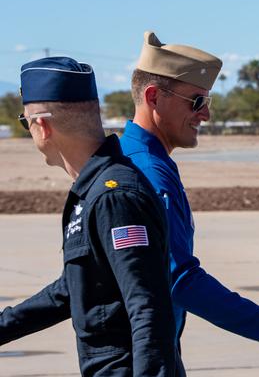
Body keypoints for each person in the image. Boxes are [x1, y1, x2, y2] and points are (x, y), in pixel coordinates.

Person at [119, 31, 259, 366]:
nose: (205, 115)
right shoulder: (148, 171)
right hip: (142, 359)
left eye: (208, 102)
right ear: (154, 97)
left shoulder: (127, 156)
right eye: (197, 101)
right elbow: (178, 277)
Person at [0, 57, 176, 376]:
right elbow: (73, 289)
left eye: (25, 123)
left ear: (42, 126)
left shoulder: (114, 195)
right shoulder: (93, 190)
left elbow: (148, 307)